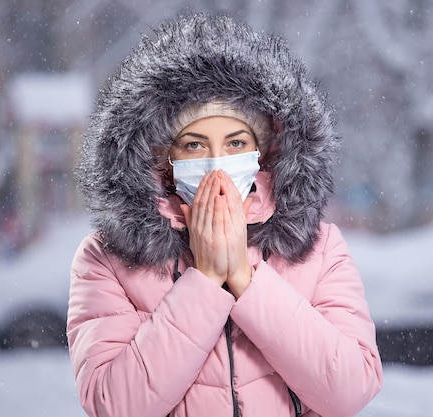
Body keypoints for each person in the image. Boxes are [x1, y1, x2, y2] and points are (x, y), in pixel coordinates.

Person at [67, 12, 382, 417]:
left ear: (262, 153)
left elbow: (350, 389)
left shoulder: (319, 248)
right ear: (164, 158)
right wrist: (206, 281)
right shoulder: (105, 259)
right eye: (195, 146)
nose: (217, 164)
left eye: (235, 143)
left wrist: (246, 281)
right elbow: (115, 405)